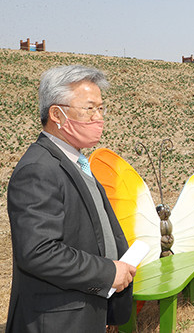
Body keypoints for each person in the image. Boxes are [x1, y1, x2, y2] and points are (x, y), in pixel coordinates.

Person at [6, 65, 136, 332]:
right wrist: (108, 273)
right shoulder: (38, 169)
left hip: (88, 311)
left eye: (101, 109)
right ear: (57, 114)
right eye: (89, 109)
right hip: (58, 320)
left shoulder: (75, 160)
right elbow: (38, 252)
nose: (98, 117)